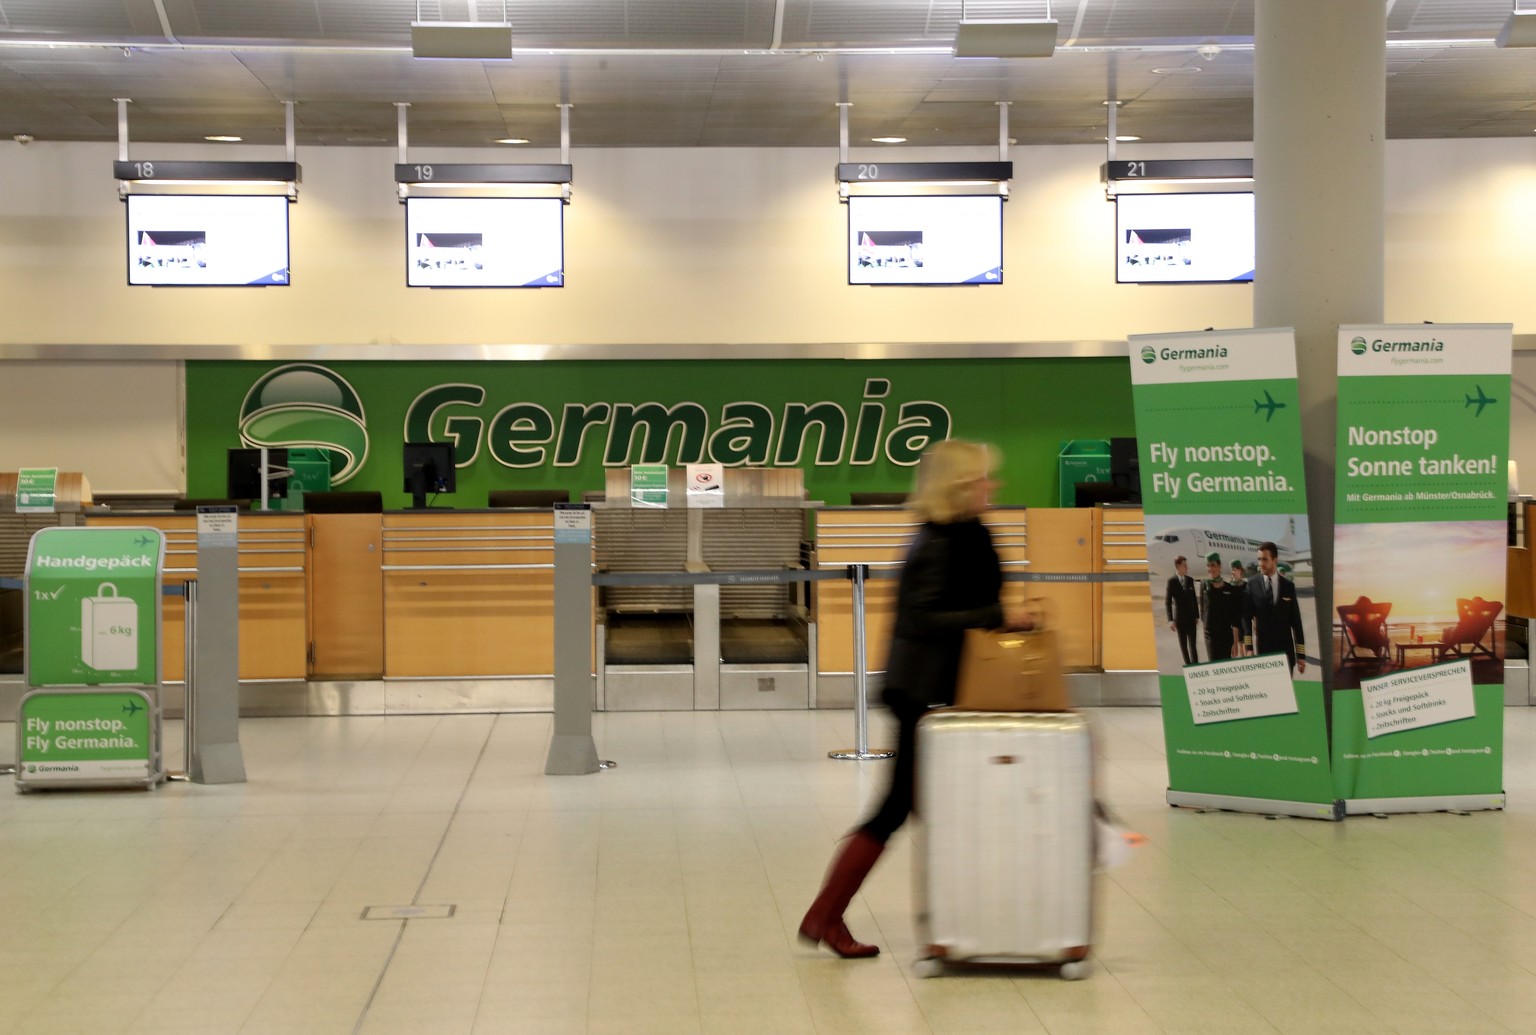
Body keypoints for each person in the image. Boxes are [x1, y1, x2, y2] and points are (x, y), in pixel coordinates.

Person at [798, 439, 1028, 959]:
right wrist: (997, 615)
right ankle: (829, 915)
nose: (993, 486)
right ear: (959, 486)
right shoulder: (938, 542)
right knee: (897, 808)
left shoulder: (964, 534)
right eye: (983, 479)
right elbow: (922, 619)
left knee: (923, 807)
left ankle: (945, 921)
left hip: (943, 691)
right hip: (923, 695)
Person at [1241, 541, 1306, 674]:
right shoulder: (1252, 585)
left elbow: (1296, 622)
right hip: (1263, 654)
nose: (1261, 563)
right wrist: (1248, 648)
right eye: (1259, 559)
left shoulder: (1288, 586)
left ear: (1275, 560)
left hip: (1285, 654)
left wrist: (1301, 655)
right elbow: (1246, 618)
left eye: (1264, 559)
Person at [1198, 552, 1242, 661]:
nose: (1210, 568)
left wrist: (1235, 643)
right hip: (1210, 636)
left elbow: (1235, 620)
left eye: (1212, 565)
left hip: (1226, 636)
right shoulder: (1204, 585)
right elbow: (1203, 610)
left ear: (1219, 566)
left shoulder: (1230, 589)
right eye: (1208, 565)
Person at [1165, 555, 1200, 665]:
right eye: (1184, 565)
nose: (1187, 567)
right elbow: (1168, 602)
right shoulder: (1172, 581)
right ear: (1178, 566)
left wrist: (1197, 616)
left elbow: (1194, 599)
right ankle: (1189, 668)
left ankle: (1196, 668)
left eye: (1186, 565)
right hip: (1179, 621)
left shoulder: (1190, 580)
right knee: (1184, 648)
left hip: (1191, 619)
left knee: (1193, 647)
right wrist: (1170, 620)